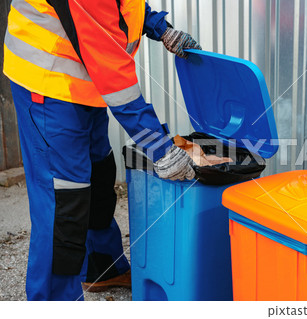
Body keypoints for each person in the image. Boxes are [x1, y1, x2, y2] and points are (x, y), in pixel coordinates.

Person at [3, 0, 200, 301]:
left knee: (99, 173)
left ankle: (100, 267)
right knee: (65, 199)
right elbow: (113, 71)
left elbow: (124, 5)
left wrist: (159, 28)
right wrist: (160, 148)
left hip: (84, 77)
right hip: (48, 83)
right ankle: (54, 301)